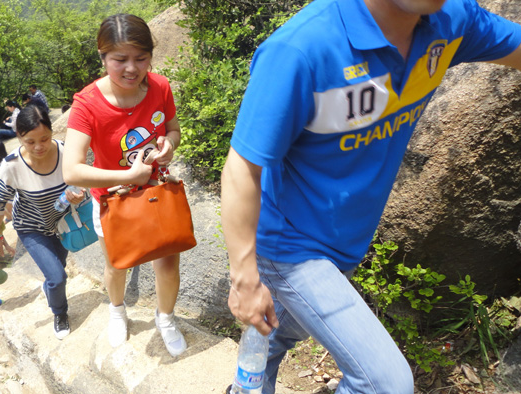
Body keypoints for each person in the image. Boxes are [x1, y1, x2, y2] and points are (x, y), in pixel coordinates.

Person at [219, 0, 521, 392]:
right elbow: (242, 167)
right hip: (289, 245)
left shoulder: (449, 21)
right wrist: (245, 279)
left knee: (276, 328)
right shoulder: (302, 49)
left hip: (346, 240)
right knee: (386, 383)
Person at [63, 14, 186, 356]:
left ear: (150, 56)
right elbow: (71, 171)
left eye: (141, 58)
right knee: (119, 264)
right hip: (114, 202)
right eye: (120, 60)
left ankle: (165, 318)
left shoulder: (160, 86)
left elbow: (173, 129)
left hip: (157, 195)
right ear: (102, 57)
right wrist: (127, 177)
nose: (132, 69)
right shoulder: (87, 104)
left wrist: (169, 146)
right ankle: (117, 312)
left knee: (168, 262)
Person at [0, 104, 84, 340]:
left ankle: (51, 291)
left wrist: (78, 193)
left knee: (57, 272)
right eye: (30, 142)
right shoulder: (11, 166)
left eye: (45, 138)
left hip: (61, 225)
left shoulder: (65, 153)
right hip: (31, 228)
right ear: (19, 136)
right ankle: (60, 312)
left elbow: (81, 180)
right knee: (57, 277)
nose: (39, 146)